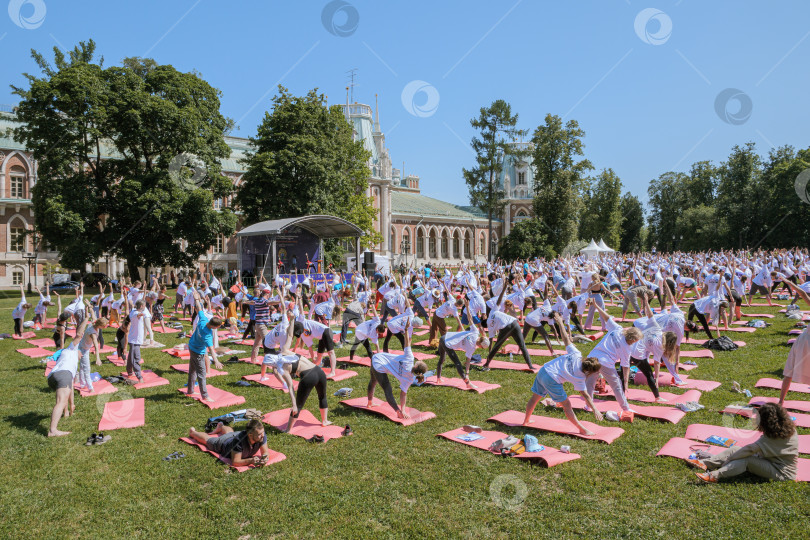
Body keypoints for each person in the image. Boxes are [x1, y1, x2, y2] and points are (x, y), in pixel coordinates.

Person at [523, 313, 604, 435]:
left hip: (544, 370)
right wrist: (595, 409)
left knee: (535, 397)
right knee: (567, 405)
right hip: (551, 378)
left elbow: (565, 338)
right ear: (589, 371)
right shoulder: (580, 377)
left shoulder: (576, 354)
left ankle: (526, 421)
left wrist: (560, 322)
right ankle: (582, 430)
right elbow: (586, 395)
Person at [264, 300, 333, 432]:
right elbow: (290, 334)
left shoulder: (281, 368)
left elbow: (290, 387)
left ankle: (288, 429)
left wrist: (294, 404)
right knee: (322, 396)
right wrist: (292, 319)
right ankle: (324, 420)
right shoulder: (284, 350)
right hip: (319, 371)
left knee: (299, 405)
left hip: (309, 376)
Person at [689, 403, 798, 483]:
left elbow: (750, 450)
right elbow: (749, 449)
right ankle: (706, 463)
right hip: (770, 460)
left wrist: (730, 459)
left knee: (746, 460)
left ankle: (714, 475)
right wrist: (733, 456)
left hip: (782, 473)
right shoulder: (785, 429)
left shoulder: (773, 437)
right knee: (736, 449)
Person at [585, 301, 643, 413]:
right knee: (616, 387)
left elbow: (606, 317)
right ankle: (626, 408)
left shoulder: (618, 329)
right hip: (606, 363)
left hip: (592, 358)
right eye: (636, 340)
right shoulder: (627, 348)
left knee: (590, 384)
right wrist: (625, 383)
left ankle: (588, 406)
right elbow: (625, 366)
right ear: (633, 339)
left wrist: (596, 305)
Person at [367, 317, 428, 419]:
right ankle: (398, 411)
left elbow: (406, 343)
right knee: (386, 388)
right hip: (378, 363)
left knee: (375, 382)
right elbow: (403, 394)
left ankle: (370, 403)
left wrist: (406, 330)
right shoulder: (409, 379)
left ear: (417, 365)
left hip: (378, 359)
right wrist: (403, 409)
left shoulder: (409, 358)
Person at [46, 312, 91, 437]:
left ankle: (63, 412)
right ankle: (52, 430)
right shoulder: (71, 349)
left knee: (61, 398)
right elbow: (79, 334)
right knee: (60, 401)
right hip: (63, 374)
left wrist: (71, 406)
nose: (81, 354)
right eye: (81, 352)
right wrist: (87, 318)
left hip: (52, 377)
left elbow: (70, 388)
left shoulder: (65, 356)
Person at [186, 290, 225, 402]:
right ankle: (205, 396)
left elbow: (199, 308)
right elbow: (212, 350)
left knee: (192, 370)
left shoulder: (203, 320)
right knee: (202, 374)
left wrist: (197, 298)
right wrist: (216, 361)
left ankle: (190, 390)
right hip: (198, 352)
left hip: (192, 347)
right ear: (215, 327)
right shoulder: (208, 335)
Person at [777, 279, 810, 405]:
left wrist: (791, 284)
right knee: (789, 370)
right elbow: (804, 295)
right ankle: (780, 401)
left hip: (804, 340)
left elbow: (803, 294)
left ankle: (781, 402)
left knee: (789, 370)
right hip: (805, 340)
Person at [187, 419, 271, 468]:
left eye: (263, 432)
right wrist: (251, 461)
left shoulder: (261, 436)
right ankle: (193, 433)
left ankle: (221, 427)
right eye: (260, 434)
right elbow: (235, 462)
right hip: (223, 443)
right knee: (207, 440)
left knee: (230, 433)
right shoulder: (239, 442)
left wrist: (265, 458)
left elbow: (265, 452)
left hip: (234, 435)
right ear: (250, 435)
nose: (263, 435)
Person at [126, 299, 150, 384]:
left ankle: (129, 372)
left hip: (134, 339)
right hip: (135, 340)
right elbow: (139, 314)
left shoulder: (133, 311)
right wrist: (143, 314)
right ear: (141, 306)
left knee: (130, 357)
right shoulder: (136, 313)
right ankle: (139, 376)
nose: (145, 307)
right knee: (136, 358)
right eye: (144, 306)